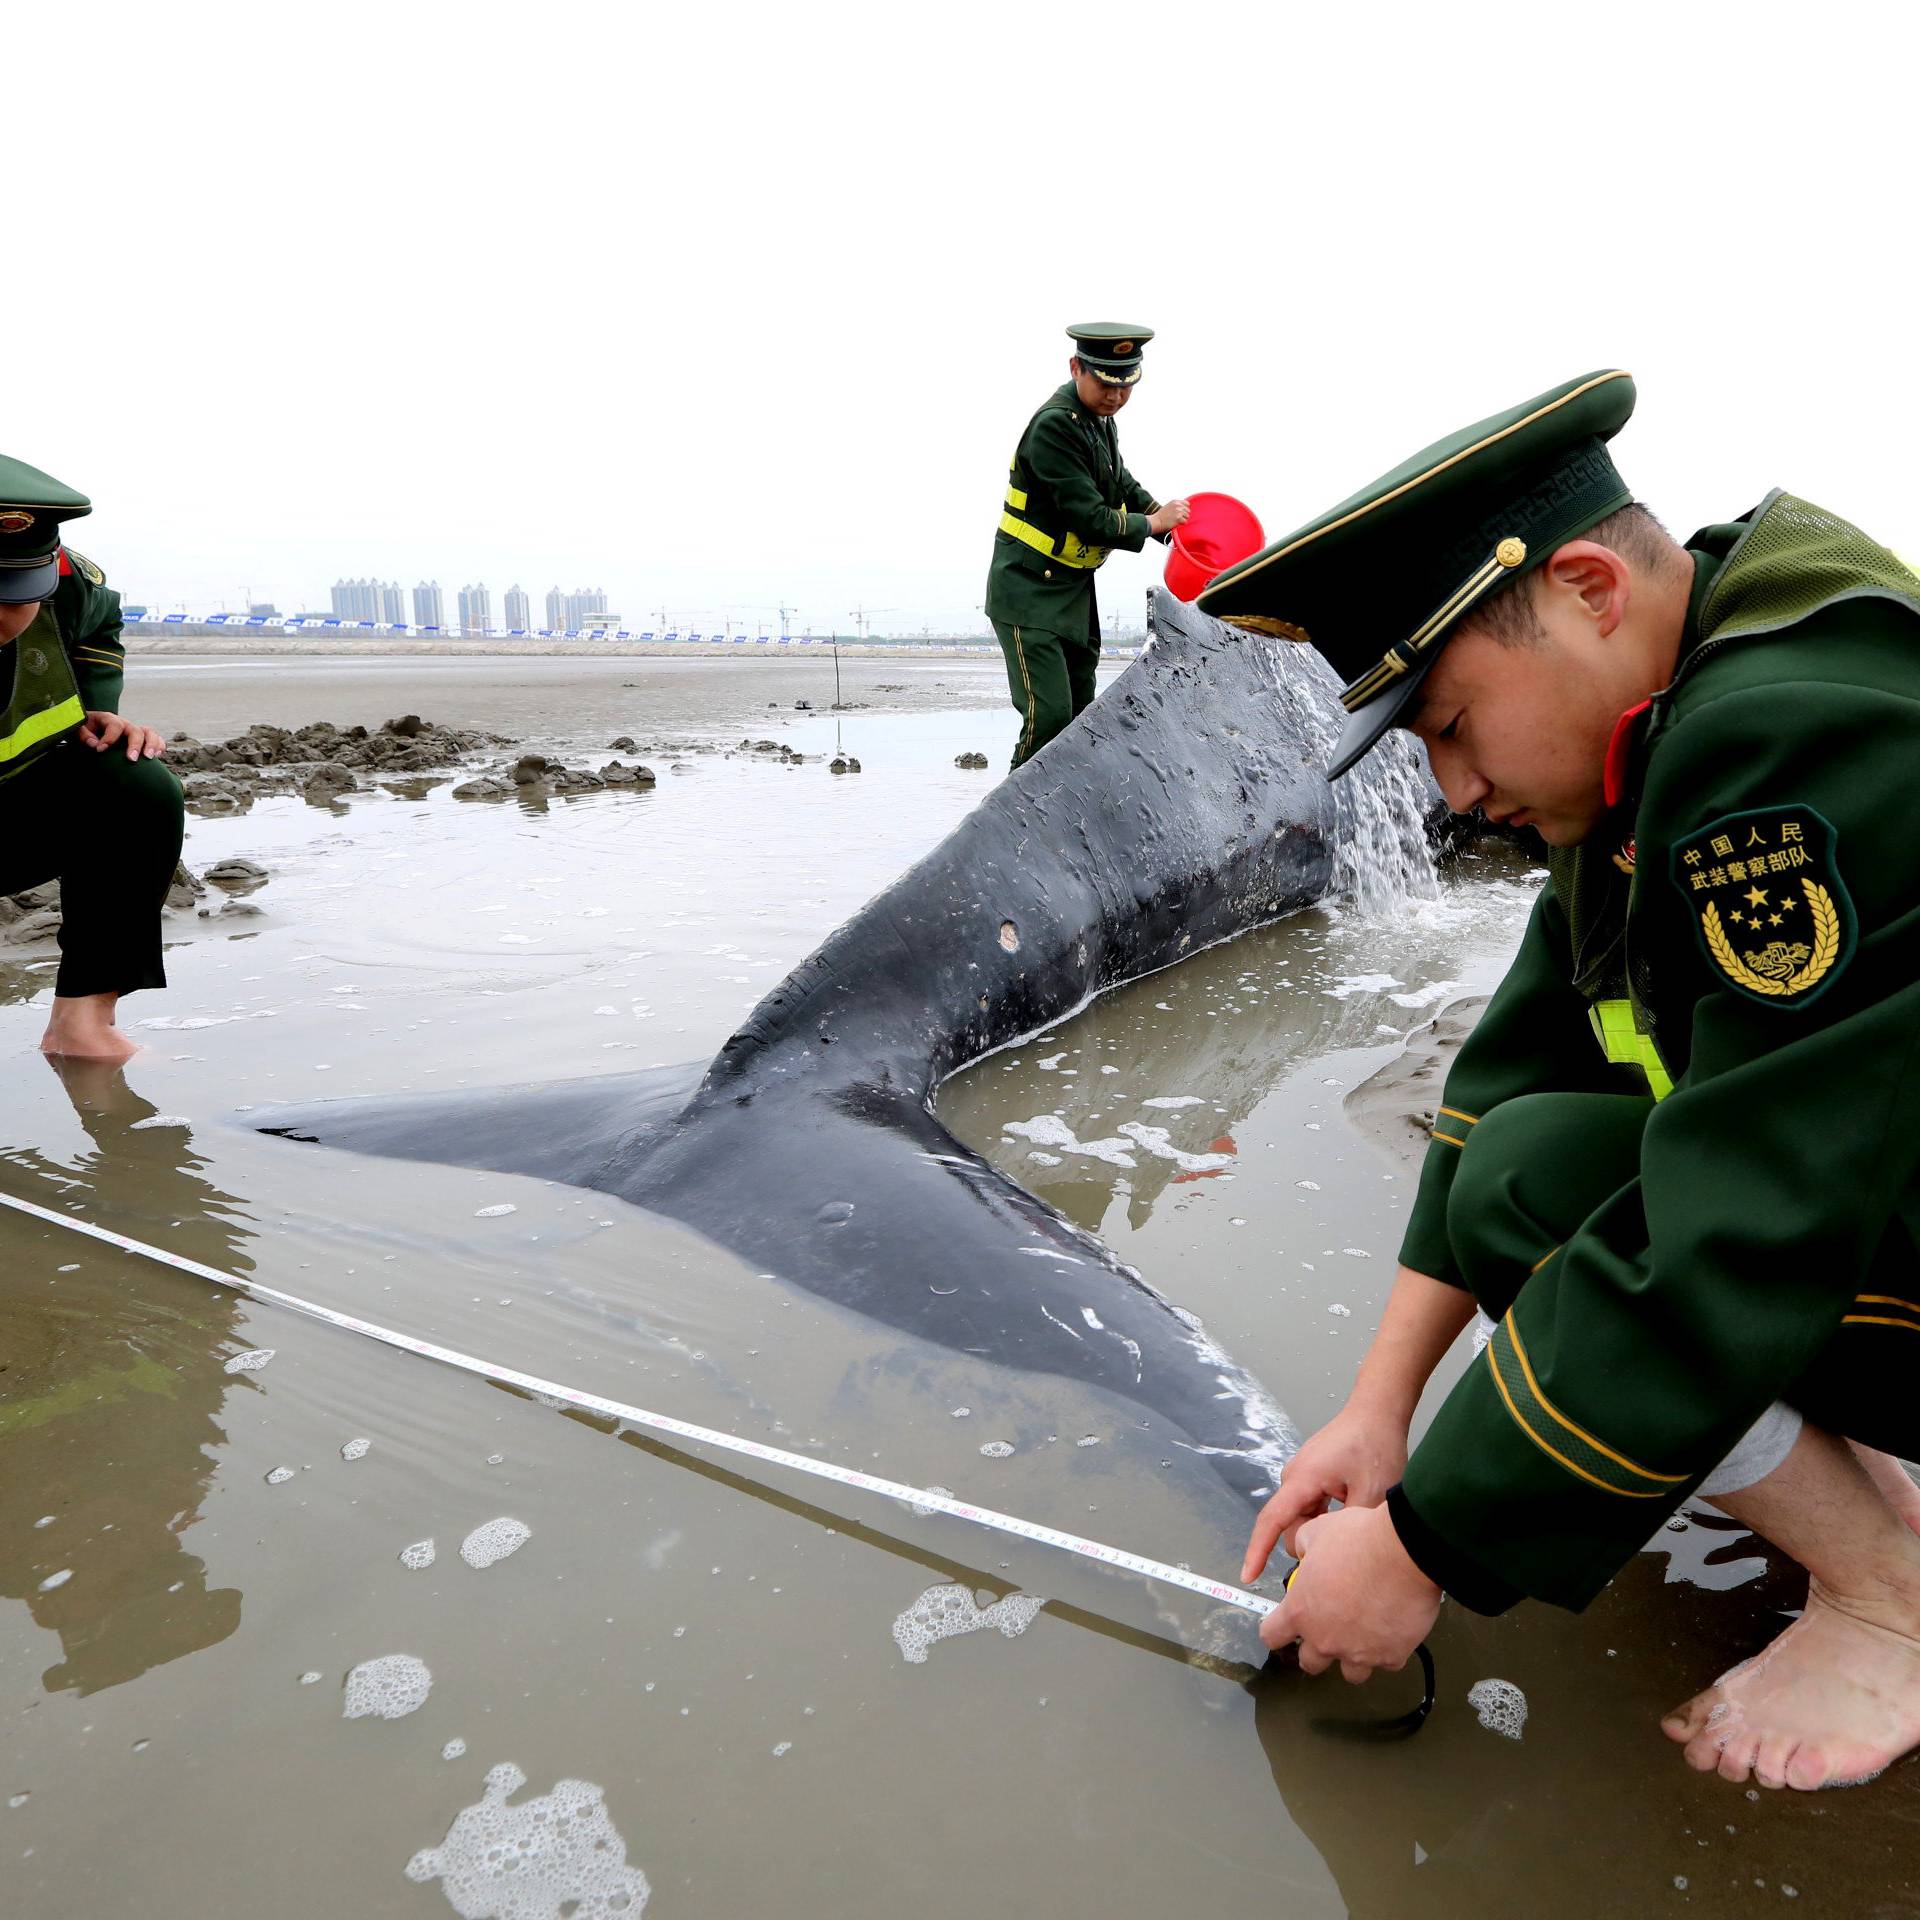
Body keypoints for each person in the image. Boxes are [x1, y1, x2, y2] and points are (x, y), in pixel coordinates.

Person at [1200, 370, 1920, 1792]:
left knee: (1602, 1208)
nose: (1453, 792)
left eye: (1452, 726)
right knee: (1532, 1161)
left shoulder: (1791, 739)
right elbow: (1512, 1067)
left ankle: (1891, 1606)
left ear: (1588, 586)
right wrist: (1378, 1413)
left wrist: (1423, 1551)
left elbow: (1742, 1227)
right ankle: (1879, 1512)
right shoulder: (1653, 721)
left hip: (1843, 1214)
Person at [0, 452, 180, 1062]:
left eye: (13, 596)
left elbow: (102, 630)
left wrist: (95, 708)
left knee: (136, 785)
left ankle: (82, 1024)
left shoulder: (72, 583)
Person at [984, 323, 1189, 768]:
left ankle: (1061, 812)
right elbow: (1090, 519)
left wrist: (1169, 525)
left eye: (1126, 386)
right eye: (1105, 383)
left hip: (1072, 591)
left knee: (1081, 713)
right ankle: (1013, 817)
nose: (1115, 397)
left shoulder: (1098, 422)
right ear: (1077, 368)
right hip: (1026, 592)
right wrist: (1153, 523)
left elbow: (1119, 480)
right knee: (1049, 717)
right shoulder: (1055, 427)